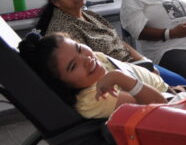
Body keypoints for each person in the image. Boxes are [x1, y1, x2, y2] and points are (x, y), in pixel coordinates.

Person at [18, 32, 169, 119]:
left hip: (169, 90)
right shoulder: (95, 98)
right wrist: (118, 77)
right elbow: (160, 107)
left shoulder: (96, 59)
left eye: (78, 48)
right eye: (73, 66)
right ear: (61, 84)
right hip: (170, 105)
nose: (87, 60)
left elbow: (133, 71)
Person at [37, 0, 147, 64]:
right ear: (55, 1)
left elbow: (118, 41)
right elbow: (89, 65)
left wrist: (143, 61)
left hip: (135, 65)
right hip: (118, 76)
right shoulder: (63, 30)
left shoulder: (89, 15)